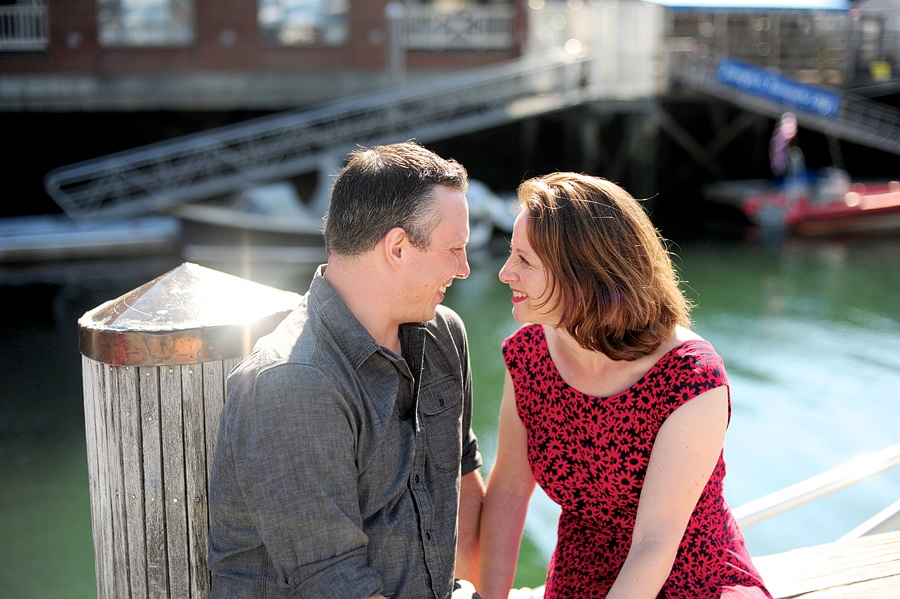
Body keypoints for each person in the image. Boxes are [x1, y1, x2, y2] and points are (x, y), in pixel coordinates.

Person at [208, 141, 485, 599]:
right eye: (454, 249)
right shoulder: (292, 383)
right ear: (397, 247)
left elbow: (463, 487)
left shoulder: (443, 336)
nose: (464, 268)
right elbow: (337, 585)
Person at [478, 173, 771, 599]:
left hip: (692, 580)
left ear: (584, 275)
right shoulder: (528, 355)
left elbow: (655, 543)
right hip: (579, 578)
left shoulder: (690, 377)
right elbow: (506, 493)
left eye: (525, 261)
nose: (506, 273)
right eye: (511, 255)